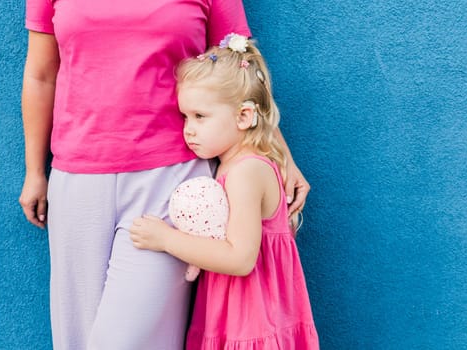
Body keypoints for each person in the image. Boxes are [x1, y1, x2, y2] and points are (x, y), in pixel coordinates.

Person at [18, 2, 310, 350]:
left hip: (174, 184)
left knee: (124, 342)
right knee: (77, 340)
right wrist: (35, 170)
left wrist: (280, 154)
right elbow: (41, 74)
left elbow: (241, 77)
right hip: (78, 177)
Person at [129, 33, 319, 349]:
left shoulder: (247, 171)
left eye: (200, 116)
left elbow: (240, 258)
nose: (188, 128)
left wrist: (165, 238)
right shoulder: (232, 166)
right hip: (235, 316)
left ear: (244, 116)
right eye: (185, 116)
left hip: (252, 322)